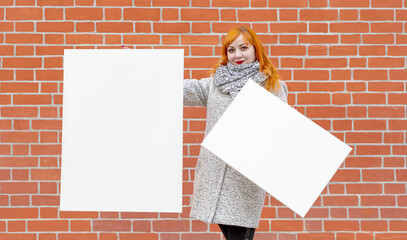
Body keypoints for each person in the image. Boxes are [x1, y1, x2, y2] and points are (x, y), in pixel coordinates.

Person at [183, 26, 288, 240]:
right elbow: (179, 89)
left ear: (255, 50)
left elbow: (282, 128)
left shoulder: (271, 86)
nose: (237, 54)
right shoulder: (215, 84)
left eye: (243, 48)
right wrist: (142, 67)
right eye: (231, 50)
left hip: (245, 178)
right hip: (216, 175)